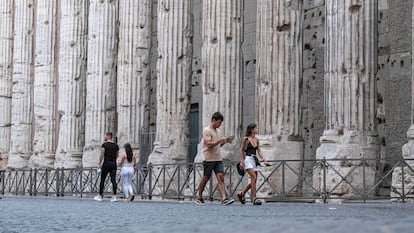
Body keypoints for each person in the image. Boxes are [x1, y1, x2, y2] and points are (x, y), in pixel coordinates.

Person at [196, 112, 235, 205]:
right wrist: (219, 140)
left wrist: (225, 142)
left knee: (221, 177)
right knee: (206, 178)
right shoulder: (207, 130)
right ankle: (199, 196)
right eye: (219, 122)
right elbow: (208, 144)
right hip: (208, 158)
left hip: (218, 158)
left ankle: (224, 198)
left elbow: (218, 145)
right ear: (213, 120)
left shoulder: (219, 131)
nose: (220, 124)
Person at [238, 123, 268, 205]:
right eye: (256, 128)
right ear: (252, 130)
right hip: (248, 159)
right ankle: (255, 198)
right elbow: (241, 150)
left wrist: (264, 159)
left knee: (254, 180)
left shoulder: (257, 140)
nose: (257, 129)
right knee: (253, 177)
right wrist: (242, 161)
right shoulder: (246, 139)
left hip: (255, 160)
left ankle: (242, 193)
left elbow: (259, 151)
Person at [94, 132, 119, 202]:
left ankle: (100, 195)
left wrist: (99, 163)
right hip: (113, 163)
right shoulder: (116, 145)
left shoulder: (104, 145)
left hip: (106, 163)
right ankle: (114, 196)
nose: (104, 137)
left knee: (102, 179)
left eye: (105, 136)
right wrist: (113, 159)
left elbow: (102, 154)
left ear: (108, 136)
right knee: (113, 180)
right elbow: (117, 155)